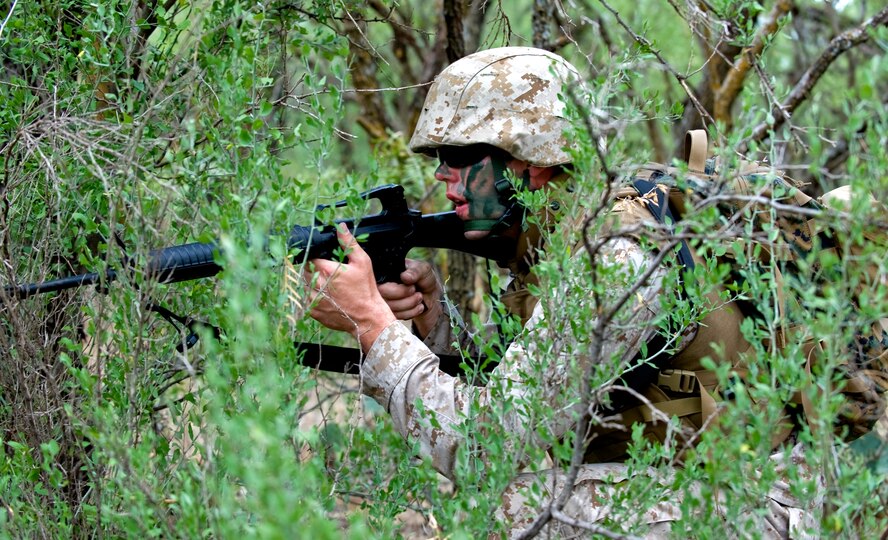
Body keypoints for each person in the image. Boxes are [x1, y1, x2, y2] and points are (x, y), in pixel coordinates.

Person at [306, 47, 816, 538]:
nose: (442, 173)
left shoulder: (617, 256)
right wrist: (434, 315)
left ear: (535, 162)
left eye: (459, 156)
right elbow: (515, 386)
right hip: (685, 484)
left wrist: (372, 322)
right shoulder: (558, 236)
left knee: (505, 512)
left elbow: (485, 445)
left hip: (755, 500)